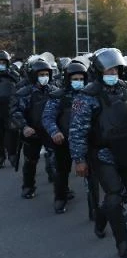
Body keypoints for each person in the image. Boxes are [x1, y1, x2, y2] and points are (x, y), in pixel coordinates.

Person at [70, 48, 127, 258]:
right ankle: (124, 244)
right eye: (108, 70)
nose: (112, 74)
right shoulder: (87, 96)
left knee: (122, 196)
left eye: (116, 70)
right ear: (98, 70)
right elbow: (77, 131)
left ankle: (102, 216)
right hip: (102, 153)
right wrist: (79, 160)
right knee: (114, 194)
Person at [42, 60, 87, 213]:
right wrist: (55, 132)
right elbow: (47, 117)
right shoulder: (58, 96)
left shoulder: (89, 95)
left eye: (81, 79)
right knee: (61, 171)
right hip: (63, 140)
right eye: (75, 79)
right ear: (68, 79)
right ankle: (60, 197)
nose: (78, 82)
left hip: (86, 141)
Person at [10, 57, 56, 198]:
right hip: (32, 132)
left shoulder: (54, 91)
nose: (44, 77)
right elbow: (16, 111)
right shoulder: (25, 92)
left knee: (56, 160)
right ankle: (28, 186)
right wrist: (24, 127)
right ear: (33, 75)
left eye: (46, 74)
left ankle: (61, 189)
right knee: (31, 161)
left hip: (50, 131)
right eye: (41, 75)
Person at [0, 50, 21, 169]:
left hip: (10, 106)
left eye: (3, 62)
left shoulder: (14, 74)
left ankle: (12, 154)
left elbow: (20, 87)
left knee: (12, 131)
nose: (1, 64)